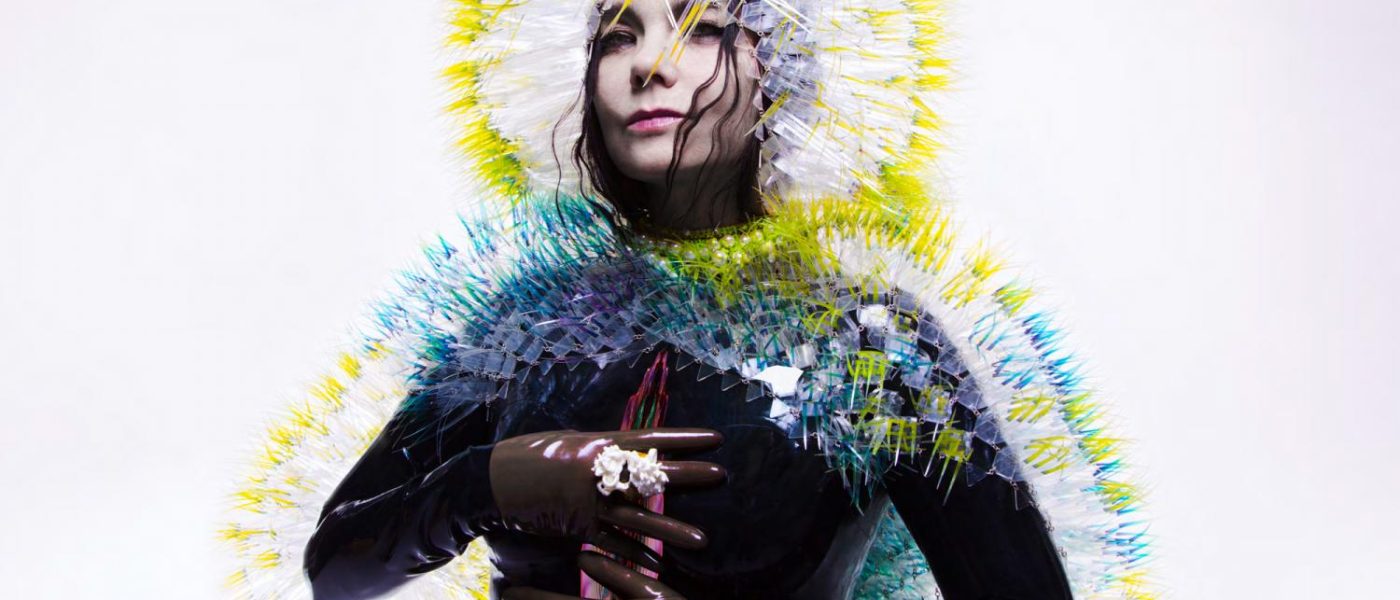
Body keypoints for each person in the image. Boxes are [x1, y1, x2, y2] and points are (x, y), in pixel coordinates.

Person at [224, 2, 1153, 599]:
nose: (650, 64)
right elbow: (336, 566)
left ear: (779, 68)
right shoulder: (526, 326)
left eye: (700, 26)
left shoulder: (871, 344)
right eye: (616, 35)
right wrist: (491, 482)